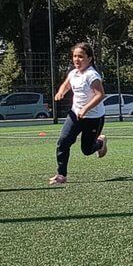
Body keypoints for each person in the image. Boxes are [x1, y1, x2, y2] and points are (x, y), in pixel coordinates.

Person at [50, 43, 108, 186]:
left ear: (90, 58)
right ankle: (61, 175)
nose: (77, 59)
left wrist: (86, 108)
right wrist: (61, 92)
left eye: (81, 56)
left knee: (87, 150)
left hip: (93, 118)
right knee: (63, 142)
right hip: (75, 115)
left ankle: (100, 143)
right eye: (75, 56)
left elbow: (100, 95)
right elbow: (67, 84)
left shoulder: (92, 75)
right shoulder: (73, 73)